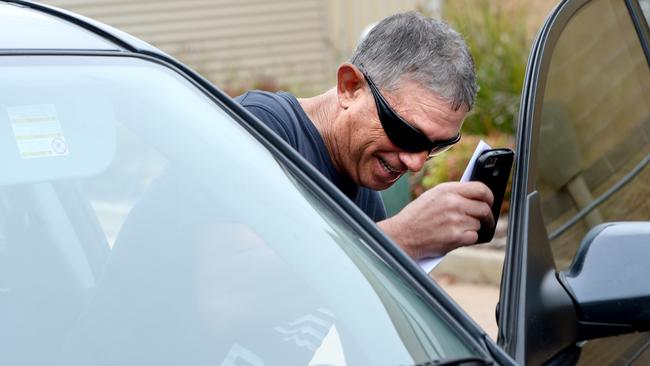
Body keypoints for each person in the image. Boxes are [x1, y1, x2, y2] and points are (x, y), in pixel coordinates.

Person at [236, 11, 494, 261]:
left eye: (437, 146)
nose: (415, 164)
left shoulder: (364, 187)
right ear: (350, 87)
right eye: (405, 132)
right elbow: (227, 280)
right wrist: (401, 239)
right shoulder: (259, 127)